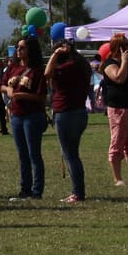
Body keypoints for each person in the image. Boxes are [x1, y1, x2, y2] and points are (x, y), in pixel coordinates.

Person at [46, 37, 90, 203]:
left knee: (70, 155)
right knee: (73, 153)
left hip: (65, 112)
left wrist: (55, 54)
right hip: (80, 112)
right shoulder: (82, 65)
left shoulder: (66, 68)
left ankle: (78, 192)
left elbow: (47, 73)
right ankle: (78, 191)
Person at [4, 37, 47, 202]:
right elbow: (2, 84)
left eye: (22, 47)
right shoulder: (13, 67)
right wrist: (8, 88)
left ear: (30, 50)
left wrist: (22, 95)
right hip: (16, 115)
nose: (18, 50)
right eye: (17, 47)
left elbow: (41, 97)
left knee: (34, 154)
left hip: (32, 116)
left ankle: (37, 191)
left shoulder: (37, 71)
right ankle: (25, 189)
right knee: (22, 154)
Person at [101, 32, 128, 186]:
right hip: (119, 108)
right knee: (118, 142)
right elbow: (119, 78)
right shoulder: (109, 63)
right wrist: (124, 62)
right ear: (118, 47)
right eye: (126, 45)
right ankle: (118, 178)